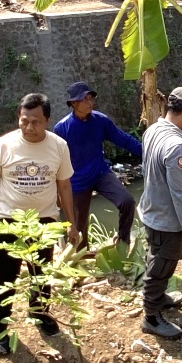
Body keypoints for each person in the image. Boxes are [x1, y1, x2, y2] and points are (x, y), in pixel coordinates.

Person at [0, 92, 81, 357]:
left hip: (44, 220)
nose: (29, 127)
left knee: (41, 272)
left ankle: (39, 313)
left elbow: (64, 185)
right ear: (18, 118)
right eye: (24, 121)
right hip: (9, 221)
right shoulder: (3, 146)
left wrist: (71, 223)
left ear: (47, 120)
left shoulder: (58, 146)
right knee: (4, 277)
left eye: (35, 122)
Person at [137, 87, 182, 338]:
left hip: (151, 210)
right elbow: (179, 194)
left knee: (157, 255)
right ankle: (151, 317)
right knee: (163, 264)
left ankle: (160, 297)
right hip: (167, 220)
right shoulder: (178, 147)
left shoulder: (153, 129)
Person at [53, 81, 142, 245]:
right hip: (77, 181)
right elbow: (55, 161)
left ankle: (123, 241)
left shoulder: (100, 121)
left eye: (90, 98)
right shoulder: (62, 128)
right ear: (74, 103)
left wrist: (146, 152)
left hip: (100, 173)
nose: (89, 103)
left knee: (127, 202)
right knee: (79, 231)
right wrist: (57, 189)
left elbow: (122, 139)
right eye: (84, 99)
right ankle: (79, 258)